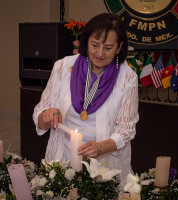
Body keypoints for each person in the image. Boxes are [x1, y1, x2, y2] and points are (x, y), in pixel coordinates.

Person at [33, 12, 139, 184]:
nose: (100, 53)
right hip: (63, 160)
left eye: (108, 48)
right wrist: (46, 115)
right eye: (95, 45)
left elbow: (126, 130)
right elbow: (40, 112)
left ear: (119, 47)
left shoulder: (127, 78)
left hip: (105, 166)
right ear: (86, 41)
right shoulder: (62, 67)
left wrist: (101, 147)